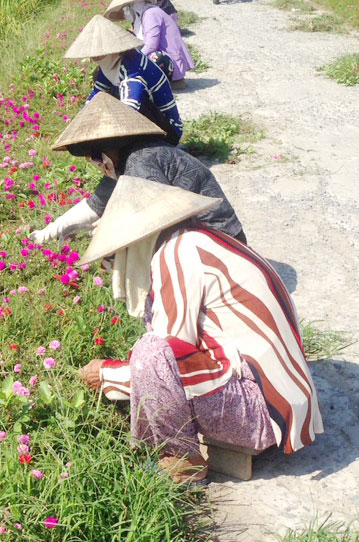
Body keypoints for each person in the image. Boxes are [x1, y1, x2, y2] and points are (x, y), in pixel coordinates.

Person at [75, 177, 322, 484]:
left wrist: (106, 375)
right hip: (280, 402)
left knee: (150, 352)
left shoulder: (177, 252)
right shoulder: (200, 240)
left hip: (259, 415)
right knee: (152, 351)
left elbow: (166, 354)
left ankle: (182, 460)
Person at [29, 92, 245, 244]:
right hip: (197, 235)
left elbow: (152, 217)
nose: (96, 165)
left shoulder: (141, 161)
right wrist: (48, 233)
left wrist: (104, 229)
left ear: (110, 149)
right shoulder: (123, 164)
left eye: (95, 157)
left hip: (219, 238)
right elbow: (94, 206)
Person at [65, 15, 183, 144]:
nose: (94, 57)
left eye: (100, 52)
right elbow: (96, 95)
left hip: (167, 131)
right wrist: (80, 123)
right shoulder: (109, 66)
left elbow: (129, 110)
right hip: (146, 120)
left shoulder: (133, 71)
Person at [105, 0, 194, 88]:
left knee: (150, 57)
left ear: (132, 5)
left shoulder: (150, 14)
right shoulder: (145, 15)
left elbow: (151, 45)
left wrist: (133, 61)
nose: (124, 13)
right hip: (167, 57)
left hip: (170, 61)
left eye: (124, 9)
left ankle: (164, 83)